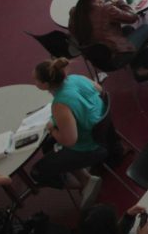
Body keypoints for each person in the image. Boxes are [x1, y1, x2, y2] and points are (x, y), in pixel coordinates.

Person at [29, 58, 107, 205]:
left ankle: (84, 184)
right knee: (49, 146)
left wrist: (52, 128)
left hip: (92, 147)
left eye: (36, 81)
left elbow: (70, 141)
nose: (35, 84)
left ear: (46, 84)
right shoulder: (76, 78)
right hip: (105, 132)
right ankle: (86, 179)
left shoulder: (60, 104)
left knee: (37, 172)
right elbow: (100, 91)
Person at [69, 0, 148, 83]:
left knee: (128, 30)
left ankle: (139, 68)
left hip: (97, 59)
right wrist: (121, 3)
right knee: (146, 28)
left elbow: (75, 32)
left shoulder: (74, 12)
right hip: (116, 57)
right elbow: (133, 17)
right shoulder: (106, 9)